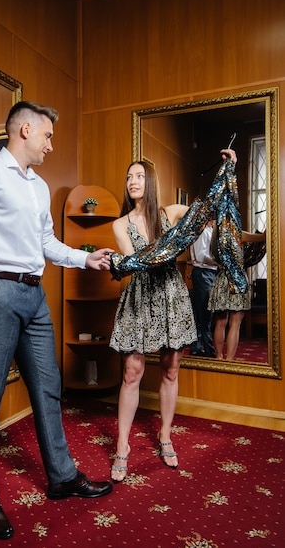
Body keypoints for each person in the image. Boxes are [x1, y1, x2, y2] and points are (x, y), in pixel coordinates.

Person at [0, 101, 113, 541]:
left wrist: (84, 259)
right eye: (48, 136)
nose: (51, 145)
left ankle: (61, 476)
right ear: (26, 129)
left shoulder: (37, 185)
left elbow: (45, 242)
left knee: (48, 386)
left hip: (35, 296)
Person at [109, 149, 237, 481]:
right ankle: (122, 445)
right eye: (128, 177)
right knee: (132, 372)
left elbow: (206, 211)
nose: (132, 181)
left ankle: (165, 435)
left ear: (149, 181)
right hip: (142, 296)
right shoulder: (119, 224)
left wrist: (227, 169)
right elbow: (138, 261)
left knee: (170, 369)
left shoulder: (172, 213)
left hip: (171, 296)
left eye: (139, 176)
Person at [208, 227, 266, 360]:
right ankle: (229, 360)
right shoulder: (237, 233)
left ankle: (218, 356)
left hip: (221, 278)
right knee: (235, 323)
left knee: (220, 322)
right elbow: (262, 238)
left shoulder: (216, 236)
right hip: (237, 279)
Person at [189, 220, 217, 357]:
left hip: (211, 273)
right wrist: (219, 262)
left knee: (207, 312)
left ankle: (202, 347)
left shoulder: (212, 232)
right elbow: (201, 257)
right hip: (202, 273)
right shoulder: (202, 232)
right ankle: (202, 349)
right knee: (203, 312)